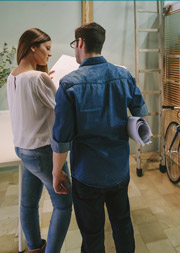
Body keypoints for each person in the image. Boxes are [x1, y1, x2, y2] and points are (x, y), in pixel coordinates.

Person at [51, 22, 148, 253]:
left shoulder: (68, 84)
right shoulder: (124, 75)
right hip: (118, 170)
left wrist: (57, 171)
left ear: (81, 43)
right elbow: (141, 113)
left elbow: (62, 136)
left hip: (87, 175)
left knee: (92, 234)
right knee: (122, 224)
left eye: (75, 44)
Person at [6, 28, 72, 253]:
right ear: (32, 46)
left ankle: (35, 248)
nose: (49, 54)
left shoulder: (12, 76)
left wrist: (46, 80)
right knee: (63, 205)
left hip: (23, 149)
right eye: (47, 48)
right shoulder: (38, 78)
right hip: (42, 152)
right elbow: (62, 112)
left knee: (28, 203)